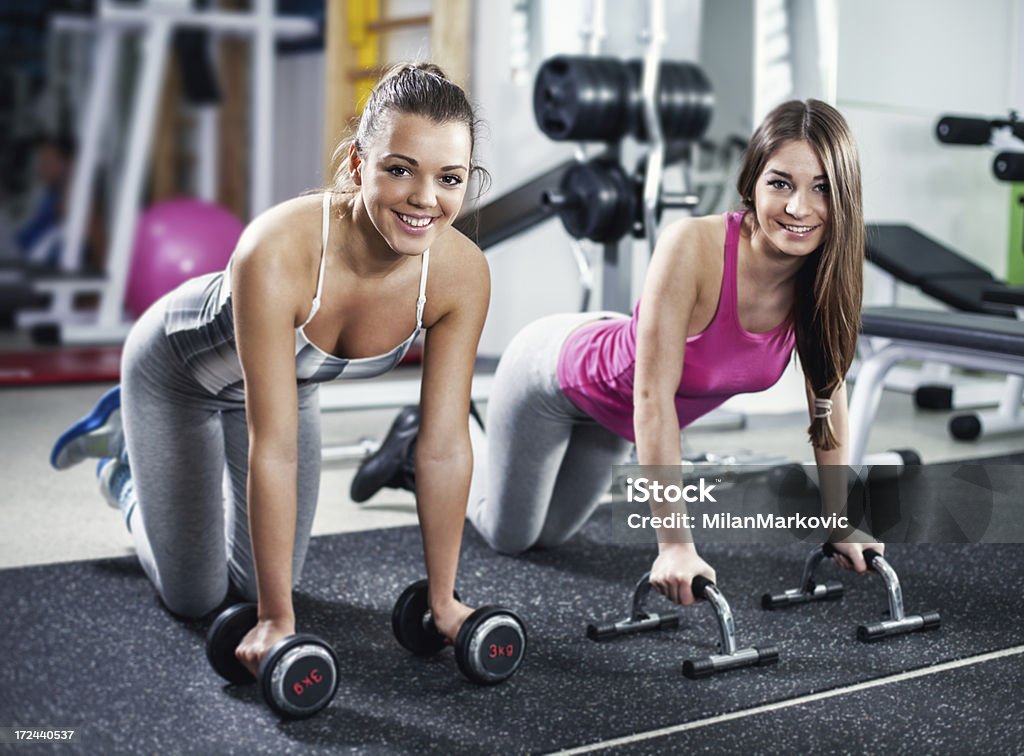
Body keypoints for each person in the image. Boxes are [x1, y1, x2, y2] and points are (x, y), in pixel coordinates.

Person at [50, 63, 490, 674]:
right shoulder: (278, 249)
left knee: (259, 580)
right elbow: (273, 448)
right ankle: (124, 471)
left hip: (292, 384)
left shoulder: (459, 274)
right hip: (179, 375)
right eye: (399, 169)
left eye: (450, 178)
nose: (425, 198)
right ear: (360, 165)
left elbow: (442, 446)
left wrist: (444, 601)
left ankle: (164, 493)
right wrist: (278, 622)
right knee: (197, 596)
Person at [353, 98, 882, 606]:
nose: (798, 207)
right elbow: (653, 398)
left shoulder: (826, 278)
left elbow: (828, 400)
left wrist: (841, 515)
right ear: (752, 183)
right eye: (780, 183)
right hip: (555, 378)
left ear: (846, 196)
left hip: (615, 413)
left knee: (550, 536)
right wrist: (675, 544)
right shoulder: (694, 247)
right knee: (510, 534)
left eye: (821, 188)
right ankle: (422, 434)